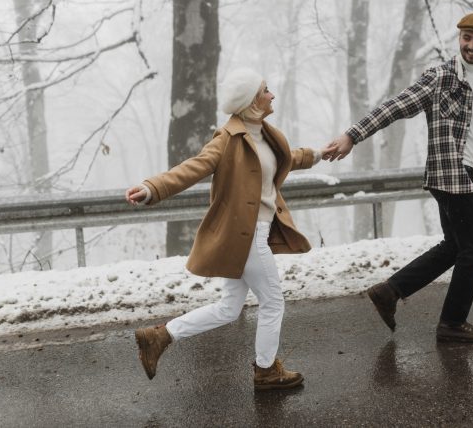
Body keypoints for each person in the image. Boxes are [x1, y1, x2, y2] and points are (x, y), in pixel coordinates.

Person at [323, 12, 473, 343]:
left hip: (468, 173)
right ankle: (451, 323)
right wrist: (352, 135)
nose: (472, 46)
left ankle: (390, 291)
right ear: (458, 39)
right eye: (466, 38)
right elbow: (396, 106)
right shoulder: (441, 77)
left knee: (455, 247)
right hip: (450, 174)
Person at [126, 68, 325, 390]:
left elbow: (285, 157)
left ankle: (160, 336)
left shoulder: (264, 133)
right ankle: (266, 371)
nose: (272, 95)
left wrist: (317, 154)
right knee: (273, 301)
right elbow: (192, 168)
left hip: (253, 234)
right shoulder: (228, 139)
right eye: (265, 90)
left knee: (229, 308)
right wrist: (153, 188)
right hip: (246, 237)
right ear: (251, 101)